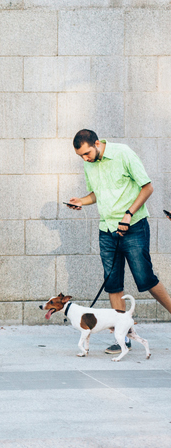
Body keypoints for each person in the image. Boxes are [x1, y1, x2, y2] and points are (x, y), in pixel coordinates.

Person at [67, 129, 171, 354]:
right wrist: (82, 202)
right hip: (107, 230)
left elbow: (147, 187)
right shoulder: (89, 163)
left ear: (97, 143)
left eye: (86, 154)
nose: (85, 159)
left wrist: (129, 213)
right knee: (112, 282)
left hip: (133, 227)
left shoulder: (123, 154)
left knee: (146, 278)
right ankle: (123, 339)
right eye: (81, 156)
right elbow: (97, 193)